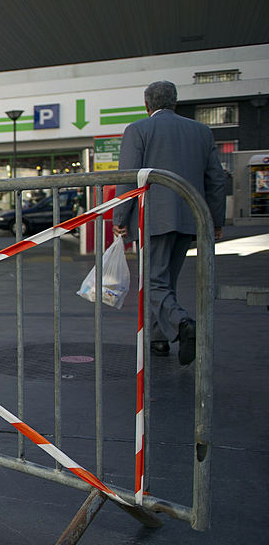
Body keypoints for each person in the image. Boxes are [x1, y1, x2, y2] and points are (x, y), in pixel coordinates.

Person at [112, 81, 226, 366]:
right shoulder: (201, 131)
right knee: (165, 281)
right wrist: (215, 220)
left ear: (146, 104)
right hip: (191, 216)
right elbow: (216, 178)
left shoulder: (137, 130)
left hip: (153, 218)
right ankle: (158, 338)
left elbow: (128, 176)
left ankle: (181, 323)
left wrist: (120, 217)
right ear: (175, 103)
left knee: (153, 281)